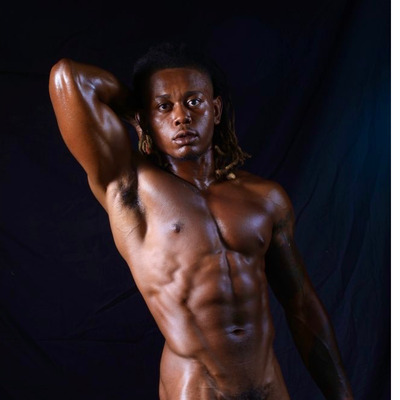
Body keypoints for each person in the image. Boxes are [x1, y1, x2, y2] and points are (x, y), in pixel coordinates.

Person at [49, 42, 353, 400]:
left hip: (270, 387)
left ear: (216, 109)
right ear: (145, 117)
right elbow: (68, 77)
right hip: (197, 389)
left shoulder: (265, 198)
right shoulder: (130, 187)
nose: (182, 117)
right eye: (165, 106)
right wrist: (141, 112)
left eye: (194, 102)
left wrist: (342, 396)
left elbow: (301, 305)